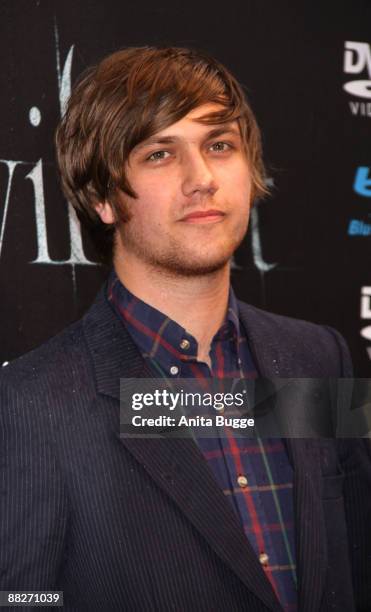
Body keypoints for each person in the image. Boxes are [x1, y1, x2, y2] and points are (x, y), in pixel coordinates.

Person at [0, 46, 370, 612]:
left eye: (220, 145)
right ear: (101, 196)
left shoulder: (320, 356)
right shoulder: (31, 404)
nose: (202, 179)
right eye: (159, 154)